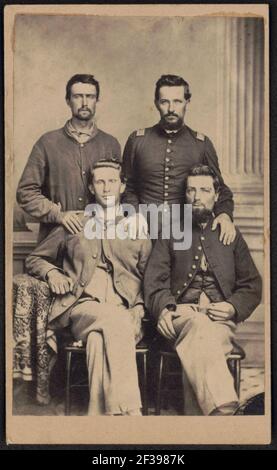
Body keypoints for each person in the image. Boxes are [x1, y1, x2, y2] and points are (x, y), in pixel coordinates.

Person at [25, 159, 152, 416]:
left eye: (112, 181)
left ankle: (99, 418)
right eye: (100, 182)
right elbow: (34, 259)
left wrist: (139, 307)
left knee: (98, 340)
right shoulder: (76, 223)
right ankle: (132, 413)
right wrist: (52, 273)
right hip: (82, 307)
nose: (107, 188)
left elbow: (148, 275)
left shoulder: (136, 226)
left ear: (122, 186)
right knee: (115, 321)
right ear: (92, 188)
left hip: (125, 310)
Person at [144, 164, 262, 416]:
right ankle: (225, 410)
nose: (197, 196)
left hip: (220, 322)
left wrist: (232, 307)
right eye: (191, 190)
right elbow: (154, 281)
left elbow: (252, 284)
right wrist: (164, 309)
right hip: (181, 317)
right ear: (185, 195)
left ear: (217, 196)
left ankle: (201, 424)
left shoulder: (230, 233)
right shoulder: (171, 232)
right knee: (198, 327)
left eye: (204, 190)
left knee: (204, 342)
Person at [122, 74, 235, 245]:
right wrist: (134, 214)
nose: (171, 108)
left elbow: (221, 189)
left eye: (177, 101)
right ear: (156, 104)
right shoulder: (137, 140)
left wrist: (224, 215)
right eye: (164, 102)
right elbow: (127, 186)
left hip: (186, 234)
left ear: (187, 103)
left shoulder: (201, 144)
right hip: (143, 232)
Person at [17, 74, 121, 242]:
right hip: (56, 242)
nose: (85, 103)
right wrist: (58, 214)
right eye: (78, 96)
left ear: (97, 101)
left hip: (99, 242)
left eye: (90, 97)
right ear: (68, 101)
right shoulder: (47, 142)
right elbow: (25, 192)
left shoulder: (110, 144)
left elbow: (118, 194)